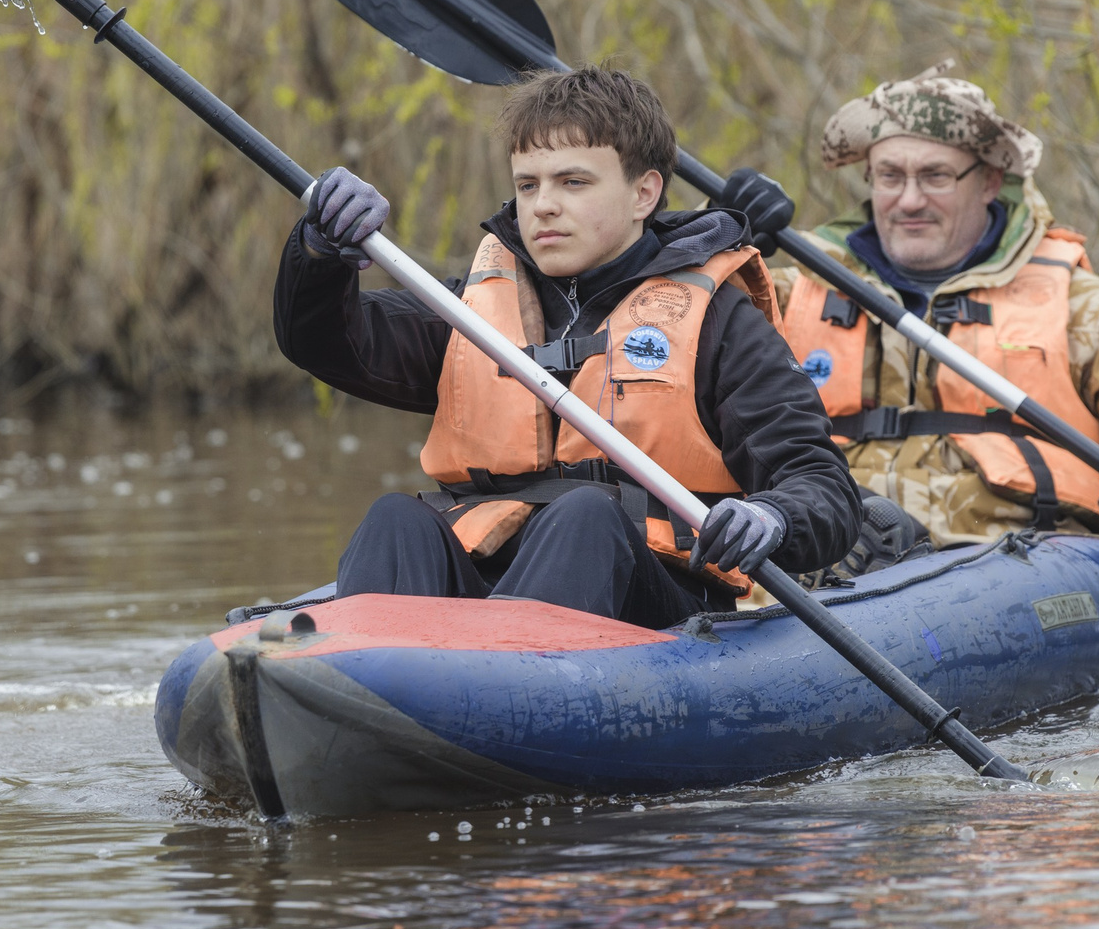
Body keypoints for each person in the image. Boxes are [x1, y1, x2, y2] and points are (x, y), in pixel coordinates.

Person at [275, 67, 864, 626]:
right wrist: (321, 255)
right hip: (488, 587)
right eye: (527, 185)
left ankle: (513, 696)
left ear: (643, 194)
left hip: (648, 601)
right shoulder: (474, 308)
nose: (543, 205)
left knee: (585, 514)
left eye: (573, 182)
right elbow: (326, 340)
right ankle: (367, 688)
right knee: (396, 519)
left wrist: (773, 516)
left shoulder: (717, 320)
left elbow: (819, 482)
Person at [716, 64, 1099, 546]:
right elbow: (663, 327)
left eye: (935, 176)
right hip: (828, 553)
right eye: (890, 177)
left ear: (991, 182)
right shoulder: (784, 292)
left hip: (1007, 564)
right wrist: (717, 236)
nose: (908, 201)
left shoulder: (1076, 305)